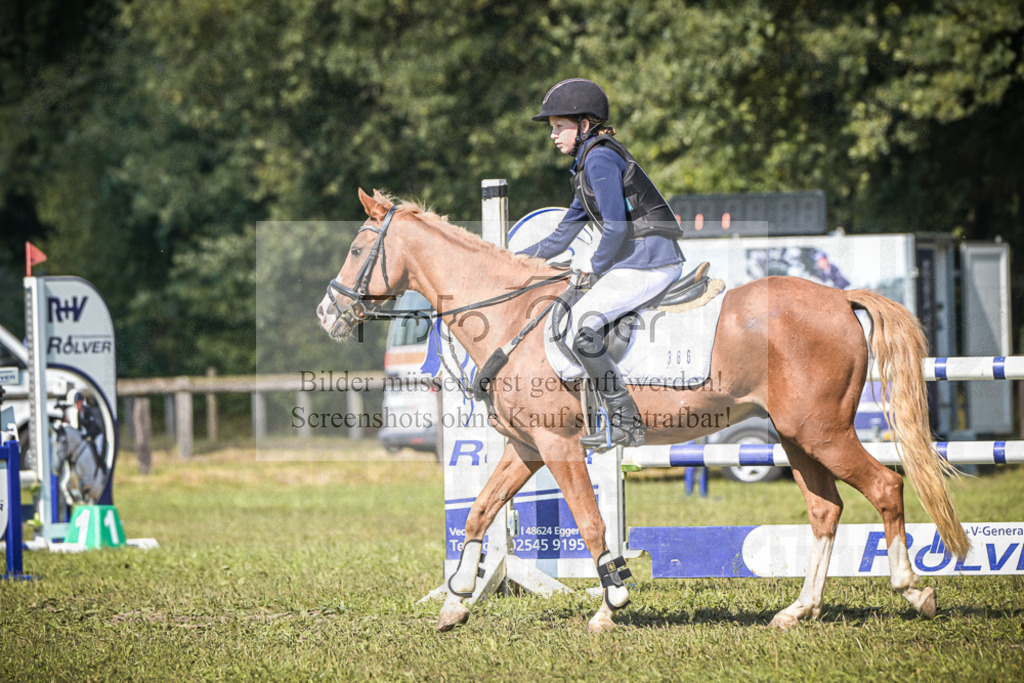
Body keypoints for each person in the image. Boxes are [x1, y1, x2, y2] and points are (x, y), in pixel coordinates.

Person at [517, 78, 685, 449]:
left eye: (559, 126)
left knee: (582, 326)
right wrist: (509, 260)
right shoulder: (586, 166)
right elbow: (561, 237)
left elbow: (616, 226)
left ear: (584, 125)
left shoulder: (599, 158)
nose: (553, 135)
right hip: (637, 259)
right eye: (552, 128)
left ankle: (626, 423)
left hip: (651, 258)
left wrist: (594, 266)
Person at [74, 391, 107, 472]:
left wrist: (86, 435)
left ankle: (103, 469)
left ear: (82, 402)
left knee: (97, 453)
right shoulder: (78, 414)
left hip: (97, 435)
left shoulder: (87, 411)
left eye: (79, 402)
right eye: (77, 403)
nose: (78, 405)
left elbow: (93, 426)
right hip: (89, 436)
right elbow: (79, 428)